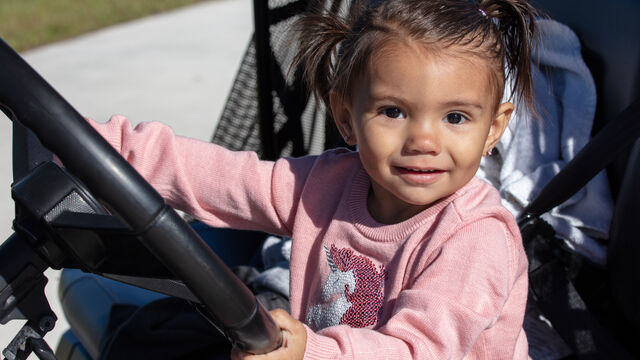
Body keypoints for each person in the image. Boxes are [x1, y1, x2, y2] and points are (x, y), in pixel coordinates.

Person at [88, 0, 539, 358]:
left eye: (455, 117)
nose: (423, 140)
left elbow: (416, 351)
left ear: (493, 130)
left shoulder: (476, 239)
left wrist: (310, 350)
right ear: (346, 116)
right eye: (393, 112)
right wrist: (113, 149)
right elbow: (228, 179)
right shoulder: (330, 184)